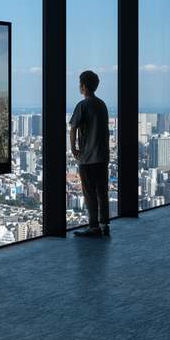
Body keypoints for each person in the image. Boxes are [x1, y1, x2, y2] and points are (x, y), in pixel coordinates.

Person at [69, 69, 110, 237]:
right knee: (102, 192)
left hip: (87, 158)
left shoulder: (83, 105)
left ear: (84, 86)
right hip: (102, 156)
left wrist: (73, 148)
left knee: (90, 194)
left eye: (80, 84)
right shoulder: (102, 105)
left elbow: (73, 128)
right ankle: (104, 224)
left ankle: (93, 226)